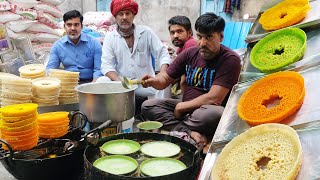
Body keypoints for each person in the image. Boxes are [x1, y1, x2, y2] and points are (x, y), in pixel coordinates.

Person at [141, 13, 241, 146]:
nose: (202, 43)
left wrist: (181, 107)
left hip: (205, 111)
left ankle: (178, 128)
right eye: (199, 37)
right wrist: (153, 81)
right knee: (148, 106)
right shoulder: (190, 53)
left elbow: (214, 98)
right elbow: (165, 78)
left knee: (215, 114)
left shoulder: (230, 59)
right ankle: (189, 131)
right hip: (187, 110)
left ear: (221, 37)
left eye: (209, 37)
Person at [98, 0, 171, 114]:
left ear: (134, 15)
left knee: (166, 83)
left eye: (128, 13)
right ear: (115, 17)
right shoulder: (110, 38)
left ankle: (160, 114)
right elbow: (106, 65)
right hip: (121, 84)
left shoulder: (146, 32)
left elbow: (162, 53)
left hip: (145, 84)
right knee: (102, 81)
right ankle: (109, 117)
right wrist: (119, 82)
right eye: (120, 14)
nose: (124, 17)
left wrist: (161, 75)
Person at [47, 10, 103, 83]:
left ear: (81, 26)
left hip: (90, 82)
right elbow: (50, 69)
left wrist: (93, 86)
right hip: (68, 83)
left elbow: (98, 69)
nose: (73, 28)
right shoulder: (58, 46)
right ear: (64, 26)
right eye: (69, 25)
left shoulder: (94, 43)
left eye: (76, 25)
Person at [168, 16, 197, 98]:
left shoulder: (190, 44)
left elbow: (184, 80)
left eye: (179, 31)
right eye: (172, 33)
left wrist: (184, 103)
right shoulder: (180, 48)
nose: (175, 36)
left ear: (190, 33)